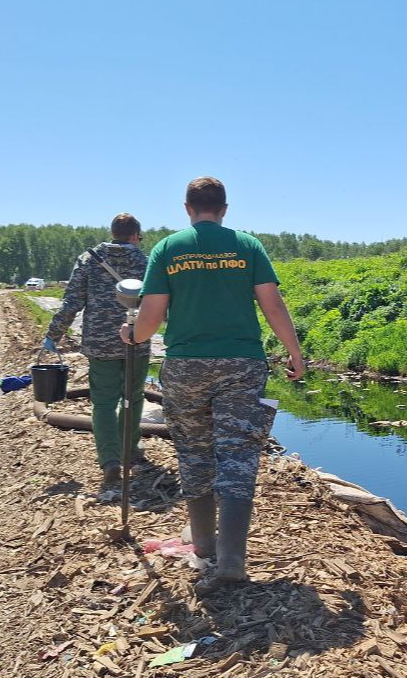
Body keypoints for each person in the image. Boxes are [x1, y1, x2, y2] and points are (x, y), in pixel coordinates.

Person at [122, 176, 304, 593]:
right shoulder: (247, 246)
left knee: (194, 453)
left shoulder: (169, 248)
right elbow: (272, 304)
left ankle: (204, 547)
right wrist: (294, 352)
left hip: (186, 366)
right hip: (243, 364)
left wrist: (130, 335)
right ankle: (233, 560)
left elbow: (149, 319)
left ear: (188, 208)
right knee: (238, 456)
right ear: (224, 209)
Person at [45, 213, 151, 492]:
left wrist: (53, 336)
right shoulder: (144, 261)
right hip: (137, 340)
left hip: (99, 342)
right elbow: (159, 302)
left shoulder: (89, 259)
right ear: (134, 235)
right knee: (134, 396)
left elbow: (71, 302)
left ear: (113, 232)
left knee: (103, 402)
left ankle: (109, 460)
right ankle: (130, 449)